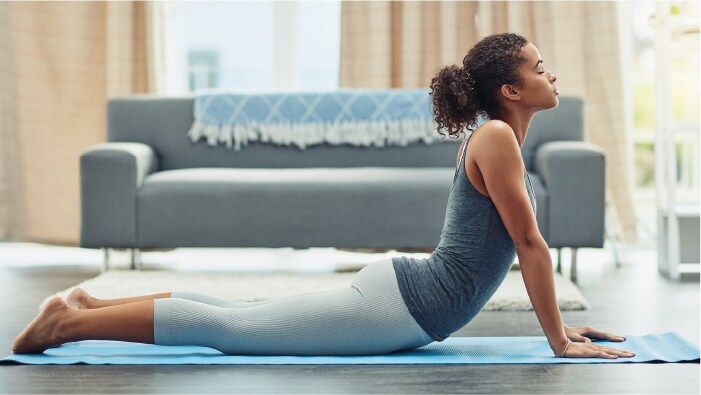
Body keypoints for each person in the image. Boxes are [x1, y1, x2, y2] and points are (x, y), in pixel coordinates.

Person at [12, 32, 635, 360]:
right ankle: (66, 325)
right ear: (510, 90)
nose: (549, 73)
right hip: (401, 308)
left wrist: (559, 324)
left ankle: (89, 303)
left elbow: (509, 251)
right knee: (234, 331)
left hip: (405, 296)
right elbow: (530, 244)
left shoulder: (500, 136)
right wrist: (554, 340)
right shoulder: (497, 136)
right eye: (538, 65)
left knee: (244, 318)